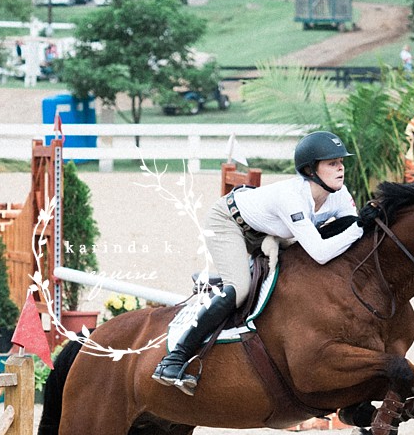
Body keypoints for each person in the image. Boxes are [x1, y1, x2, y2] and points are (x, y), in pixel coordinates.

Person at [152, 130, 368, 395]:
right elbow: (323, 251)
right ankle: (173, 359)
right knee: (239, 288)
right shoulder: (293, 198)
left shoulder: (339, 194)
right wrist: (359, 229)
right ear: (311, 170)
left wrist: (362, 227)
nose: (340, 169)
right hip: (229, 223)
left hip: (268, 232)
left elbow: (352, 227)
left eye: (341, 162)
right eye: (332, 163)